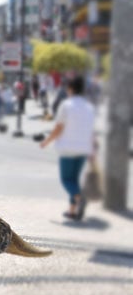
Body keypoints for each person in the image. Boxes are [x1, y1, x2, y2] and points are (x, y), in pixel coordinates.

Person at [40, 75, 95, 221]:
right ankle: (73, 211)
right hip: (83, 148)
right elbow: (90, 130)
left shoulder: (66, 105)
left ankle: (79, 199)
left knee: (67, 180)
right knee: (74, 180)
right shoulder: (89, 107)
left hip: (68, 148)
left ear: (70, 89)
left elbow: (58, 128)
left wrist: (47, 141)